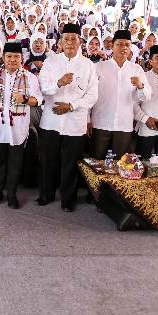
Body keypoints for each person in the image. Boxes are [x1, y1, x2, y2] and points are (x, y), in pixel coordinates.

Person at [37, 23, 98, 212]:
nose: (70, 42)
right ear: (60, 42)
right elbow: (43, 88)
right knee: (48, 161)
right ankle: (46, 194)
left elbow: (92, 95)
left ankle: (67, 200)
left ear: (80, 42)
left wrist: (71, 106)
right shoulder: (51, 61)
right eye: (66, 39)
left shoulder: (88, 65)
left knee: (71, 163)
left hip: (75, 121)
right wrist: (59, 82)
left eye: (74, 39)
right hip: (51, 120)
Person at [0, 42, 42, 209]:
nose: (12, 60)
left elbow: (38, 100)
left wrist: (25, 99)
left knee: (15, 163)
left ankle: (12, 194)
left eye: (16, 57)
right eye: (9, 56)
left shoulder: (30, 77)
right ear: (3, 57)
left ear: (21, 59)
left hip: (18, 127)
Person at [90, 29, 150, 159]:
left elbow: (146, 97)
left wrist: (140, 86)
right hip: (100, 123)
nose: (124, 48)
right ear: (112, 46)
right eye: (120, 44)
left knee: (121, 165)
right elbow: (90, 95)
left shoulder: (136, 69)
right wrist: (87, 119)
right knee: (96, 164)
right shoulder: (99, 67)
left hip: (124, 125)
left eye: (127, 45)